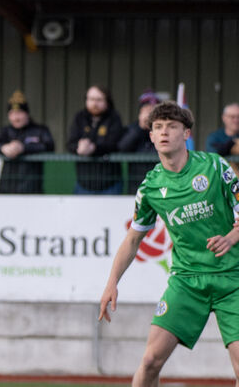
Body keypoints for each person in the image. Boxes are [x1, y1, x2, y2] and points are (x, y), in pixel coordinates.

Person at [98, 101, 239, 387]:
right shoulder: (150, 187)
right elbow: (133, 239)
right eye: (158, 127)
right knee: (150, 361)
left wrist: (231, 237)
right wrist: (111, 282)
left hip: (233, 279)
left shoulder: (214, 165)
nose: (164, 133)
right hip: (187, 282)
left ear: (186, 133)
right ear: (150, 136)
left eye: (172, 127)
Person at [0, 91, 55, 194]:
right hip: (7, 187)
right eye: (12, 113)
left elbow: (49, 145)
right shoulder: (5, 131)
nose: (16, 117)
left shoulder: (40, 130)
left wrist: (23, 148)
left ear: (27, 114)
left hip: (32, 189)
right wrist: (3, 148)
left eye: (19, 113)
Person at [68, 85, 126, 194]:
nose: (94, 103)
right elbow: (70, 143)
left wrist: (93, 148)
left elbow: (115, 143)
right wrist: (79, 148)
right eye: (91, 99)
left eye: (99, 100)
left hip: (110, 183)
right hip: (83, 182)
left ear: (107, 101)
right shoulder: (79, 117)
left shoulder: (114, 118)